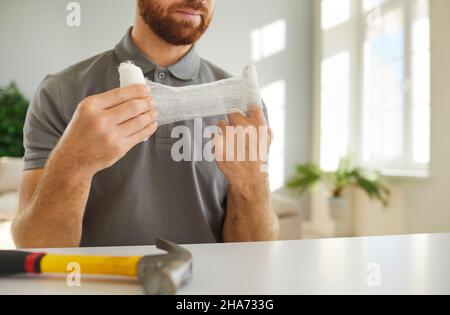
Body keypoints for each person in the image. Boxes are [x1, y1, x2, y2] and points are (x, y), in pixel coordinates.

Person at [12, 0, 279, 248]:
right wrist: (74, 165)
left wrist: (251, 186)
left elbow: (254, 254)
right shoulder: (60, 92)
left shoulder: (243, 106)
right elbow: (35, 246)